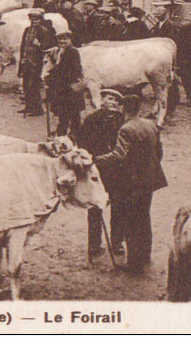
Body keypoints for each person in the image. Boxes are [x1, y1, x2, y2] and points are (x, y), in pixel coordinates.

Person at [94, 94, 167, 272]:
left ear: (123, 108)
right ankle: (145, 255)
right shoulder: (151, 125)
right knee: (144, 217)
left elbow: (119, 155)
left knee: (132, 221)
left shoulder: (126, 129)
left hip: (132, 182)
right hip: (150, 179)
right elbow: (159, 152)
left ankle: (134, 263)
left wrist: (96, 160)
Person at [72, 89, 125, 258]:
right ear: (101, 101)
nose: (112, 103)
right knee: (95, 207)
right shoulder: (91, 120)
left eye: (116, 101)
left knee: (118, 207)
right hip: (98, 171)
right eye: (109, 99)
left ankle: (117, 242)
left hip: (117, 171)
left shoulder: (123, 122)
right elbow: (81, 143)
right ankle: (94, 244)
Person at [44, 30, 86, 138]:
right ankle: (62, 133)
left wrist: (55, 77)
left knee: (74, 114)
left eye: (64, 39)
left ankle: (75, 135)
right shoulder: (58, 52)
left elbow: (75, 70)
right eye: (59, 39)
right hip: (61, 88)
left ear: (69, 40)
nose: (62, 41)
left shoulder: (73, 52)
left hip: (70, 88)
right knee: (62, 113)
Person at [17, 8, 55, 117]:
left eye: (36, 19)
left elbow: (47, 47)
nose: (34, 21)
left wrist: (39, 45)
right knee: (25, 84)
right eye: (32, 19)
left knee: (33, 85)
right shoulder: (27, 30)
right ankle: (28, 106)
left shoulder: (43, 31)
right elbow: (23, 46)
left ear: (40, 20)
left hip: (36, 61)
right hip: (26, 60)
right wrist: (22, 59)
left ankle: (37, 109)